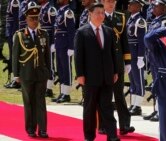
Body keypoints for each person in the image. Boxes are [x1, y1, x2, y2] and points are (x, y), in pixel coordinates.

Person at [74, 2, 120, 141]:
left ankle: (112, 136)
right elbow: (78, 56)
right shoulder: (82, 32)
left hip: (107, 76)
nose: (101, 15)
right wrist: (80, 74)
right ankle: (89, 136)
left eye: (102, 13)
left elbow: (113, 54)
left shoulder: (109, 31)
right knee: (89, 108)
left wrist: (115, 71)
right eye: (97, 13)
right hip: (90, 77)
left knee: (108, 107)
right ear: (90, 14)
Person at [12, 2, 50, 138]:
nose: (35, 21)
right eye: (32, 18)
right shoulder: (20, 35)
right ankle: (30, 129)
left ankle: (43, 129)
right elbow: (15, 56)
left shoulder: (44, 34)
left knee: (41, 101)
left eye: (36, 18)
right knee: (29, 102)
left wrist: (49, 72)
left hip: (41, 74)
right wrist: (15, 74)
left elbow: (47, 56)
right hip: (26, 74)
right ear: (26, 20)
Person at [98, 0, 135, 135]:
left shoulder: (121, 17)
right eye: (108, 1)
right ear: (102, 2)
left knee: (119, 94)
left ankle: (124, 124)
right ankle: (103, 125)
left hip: (118, 61)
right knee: (104, 95)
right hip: (104, 62)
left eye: (113, 1)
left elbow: (124, 40)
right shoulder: (99, 15)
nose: (111, 3)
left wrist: (128, 61)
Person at [143, 0, 166, 122]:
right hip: (153, 57)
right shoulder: (155, 21)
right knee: (156, 85)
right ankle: (157, 109)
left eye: (156, 6)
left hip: (160, 57)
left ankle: (163, 112)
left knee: (162, 85)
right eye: (153, 6)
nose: (153, 8)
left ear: (164, 9)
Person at [52, 0, 75, 103]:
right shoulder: (60, 11)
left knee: (66, 69)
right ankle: (62, 92)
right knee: (60, 69)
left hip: (65, 46)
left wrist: (71, 47)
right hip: (59, 45)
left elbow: (71, 31)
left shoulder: (68, 12)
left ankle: (67, 94)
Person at [126, 0, 147, 116]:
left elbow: (141, 41)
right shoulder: (130, 19)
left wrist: (140, 57)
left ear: (138, 7)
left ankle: (138, 106)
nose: (129, 6)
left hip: (136, 55)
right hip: (130, 55)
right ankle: (133, 104)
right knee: (132, 80)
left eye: (132, 4)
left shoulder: (140, 21)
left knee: (138, 80)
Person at [38, 0, 57, 97]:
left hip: (49, 42)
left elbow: (54, 27)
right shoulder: (42, 8)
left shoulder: (51, 9)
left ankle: (49, 88)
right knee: (44, 63)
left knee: (50, 64)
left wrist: (54, 43)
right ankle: (45, 86)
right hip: (43, 41)